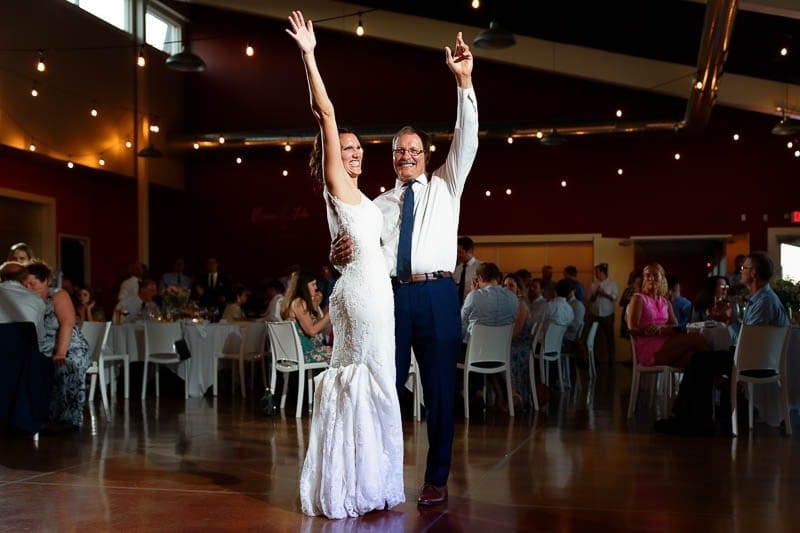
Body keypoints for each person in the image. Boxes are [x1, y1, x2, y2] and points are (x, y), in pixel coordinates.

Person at [330, 27, 477, 508]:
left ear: (427, 156)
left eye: (415, 150)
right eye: (398, 150)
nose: (407, 156)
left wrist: (463, 83)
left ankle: (436, 478)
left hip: (436, 295)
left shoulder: (446, 185)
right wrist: (336, 253)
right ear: (391, 158)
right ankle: (383, 476)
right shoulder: (378, 205)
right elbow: (356, 247)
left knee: (438, 392)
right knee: (385, 389)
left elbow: (469, 138)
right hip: (392, 297)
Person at [286, 11, 404, 518]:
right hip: (361, 295)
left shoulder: (366, 198)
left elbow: (364, 244)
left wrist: (335, 254)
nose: (353, 154)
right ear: (333, 155)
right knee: (368, 379)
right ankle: (353, 485)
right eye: (346, 149)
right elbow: (325, 113)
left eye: (357, 149)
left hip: (373, 291)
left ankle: (364, 480)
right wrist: (310, 55)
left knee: (376, 380)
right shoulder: (338, 183)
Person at [655, 252, 789, 435]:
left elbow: (746, 342)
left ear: (754, 274)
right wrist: (731, 321)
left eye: (744, 268)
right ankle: (692, 418)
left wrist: (731, 321)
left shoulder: (763, 301)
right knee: (700, 358)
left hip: (754, 362)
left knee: (699, 361)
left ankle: (691, 421)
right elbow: (748, 337)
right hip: (757, 359)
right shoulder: (761, 299)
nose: (740, 271)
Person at [24, 260, 90, 431]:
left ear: (46, 280)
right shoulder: (27, 300)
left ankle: (68, 419)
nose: (28, 287)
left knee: (64, 366)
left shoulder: (58, 296)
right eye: (25, 284)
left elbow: (68, 323)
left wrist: (60, 353)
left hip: (69, 344)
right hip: (43, 348)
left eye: (33, 283)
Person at [626, 263, 708, 369]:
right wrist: (653, 330)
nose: (651, 278)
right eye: (647, 275)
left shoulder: (665, 302)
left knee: (694, 358)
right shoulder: (638, 299)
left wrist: (661, 328)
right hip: (649, 348)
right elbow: (632, 328)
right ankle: (725, 371)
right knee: (698, 339)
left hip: (667, 344)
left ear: (662, 278)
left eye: (655, 275)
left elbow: (675, 324)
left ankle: (696, 383)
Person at [0, 261, 46, 348]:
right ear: (24, 278)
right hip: (25, 357)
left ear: (1, 277)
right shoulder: (36, 300)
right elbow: (39, 338)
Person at [589, 262, 619, 366]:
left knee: (609, 338)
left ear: (602, 272)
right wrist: (596, 294)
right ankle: (596, 360)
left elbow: (615, 298)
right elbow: (590, 300)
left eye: (597, 272)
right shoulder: (593, 284)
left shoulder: (612, 283)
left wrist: (604, 294)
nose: (595, 274)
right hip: (595, 314)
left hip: (607, 314)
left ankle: (611, 361)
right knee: (595, 338)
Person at [453, 236, 481, 304]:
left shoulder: (481, 267)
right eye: (456, 252)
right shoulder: (457, 268)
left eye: (460, 252)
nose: (457, 255)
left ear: (470, 251)